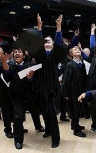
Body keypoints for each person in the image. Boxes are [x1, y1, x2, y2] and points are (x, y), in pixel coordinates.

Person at [1, 48, 44, 149]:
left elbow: (34, 80)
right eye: (15, 52)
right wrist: (3, 61)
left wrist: (30, 78)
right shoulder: (11, 65)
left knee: (35, 111)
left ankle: (38, 126)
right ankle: (18, 141)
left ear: (24, 55)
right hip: (16, 96)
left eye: (19, 52)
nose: (16, 53)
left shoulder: (29, 65)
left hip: (29, 94)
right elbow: (7, 72)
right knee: (18, 117)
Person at [35, 14, 65, 148]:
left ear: (52, 44)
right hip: (41, 88)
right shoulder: (41, 56)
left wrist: (58, 27)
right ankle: (47, 130)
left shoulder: (55, 55)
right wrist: (39, 28)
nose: (47, 42)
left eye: (49, 41)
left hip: (52, 89)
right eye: (45, 40)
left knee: (52, 113)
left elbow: (59, 44)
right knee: (44, 111)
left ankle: (56, 138)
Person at [61, 46, 88, 138]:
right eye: (75, 50)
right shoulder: (70, 65)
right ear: (71, 54)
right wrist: (65, 93)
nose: (77, 51)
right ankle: (76, 130)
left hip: (80, 90)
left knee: (79, 108)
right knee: (74, 109)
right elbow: (66, 79)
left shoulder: (82, 64)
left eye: (79, 49)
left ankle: (75, 125)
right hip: (72, 91)